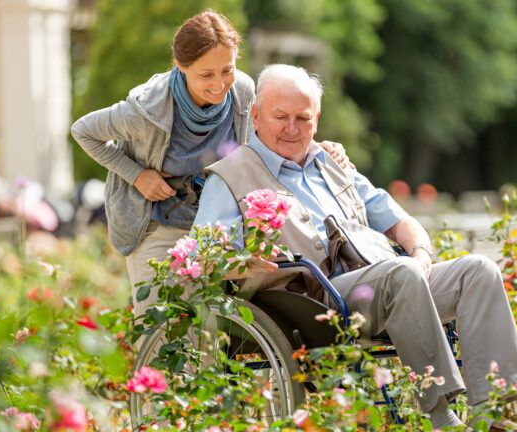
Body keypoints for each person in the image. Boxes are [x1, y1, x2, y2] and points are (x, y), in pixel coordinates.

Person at [193, 64, 517, 430]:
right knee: (400, 272)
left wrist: (420, 253)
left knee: (478, 271)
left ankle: (489, 415)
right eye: (280, 117)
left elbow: (401, 221)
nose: (292, 128)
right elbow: (206, 256)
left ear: (317, 119)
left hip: (386, 284)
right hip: (311, 303)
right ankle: (442, 417)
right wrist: (247, 263)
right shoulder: (230, 177)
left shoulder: (333, 164)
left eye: (303, 118)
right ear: (257, 115)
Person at [71, 11, 351, 316]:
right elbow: (83, 131)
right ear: (181, 66)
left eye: (226, 70)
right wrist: (137, 175)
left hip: (214, 224)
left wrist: (315, 148)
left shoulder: (242, 90)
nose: (219, 85)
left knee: (211, 330)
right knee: (162, 325)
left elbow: (264, 138)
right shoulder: (147, 110)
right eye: (206, 75)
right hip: (157, 224)